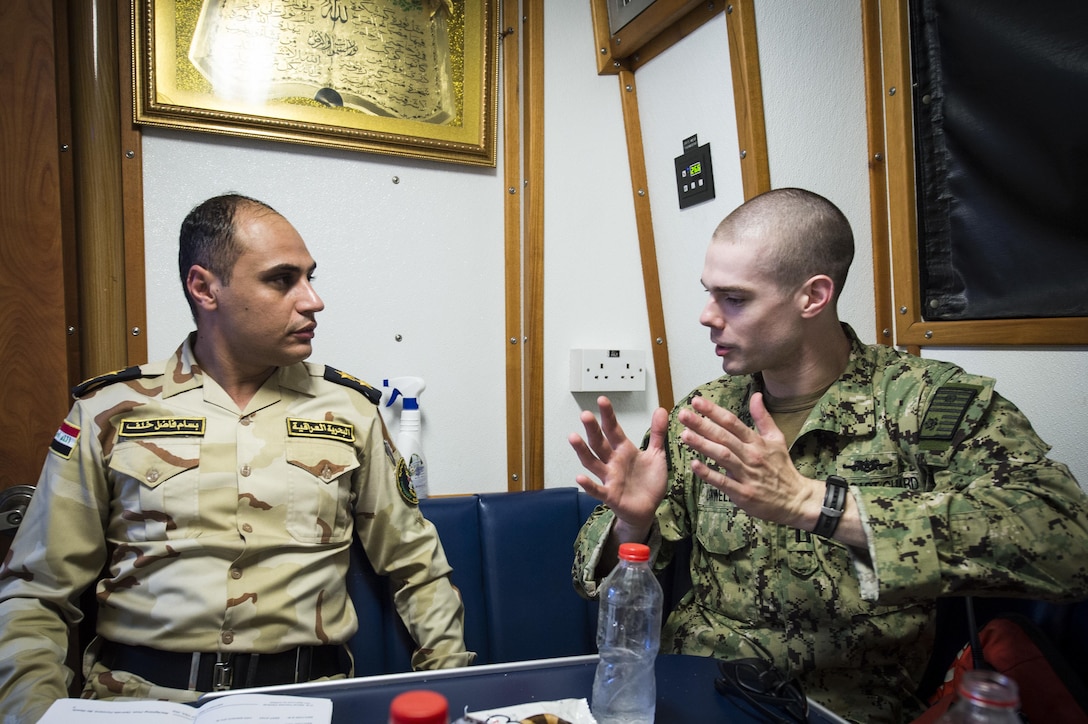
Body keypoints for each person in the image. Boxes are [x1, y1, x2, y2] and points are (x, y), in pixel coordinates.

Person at [569, 188, 1088, 722]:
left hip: (839, 707)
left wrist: (820, 505)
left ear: (813, 296)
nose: (706, 316)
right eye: (708, 293)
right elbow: (601, 583)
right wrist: (633, 524)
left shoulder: (926, 406)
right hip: (693, 686)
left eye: (735, 298)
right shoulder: (709, 414)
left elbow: (1069, 539)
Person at [0, 194, 474, 723]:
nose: (313, 300)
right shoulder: (109, 411)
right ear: (205, 288)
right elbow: (37, 591)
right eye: (282, 280)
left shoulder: (349, 411)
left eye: (310, 277)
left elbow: (417, 566)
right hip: (137, 701)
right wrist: (31, 713)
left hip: (303, 702)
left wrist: (450, 691)